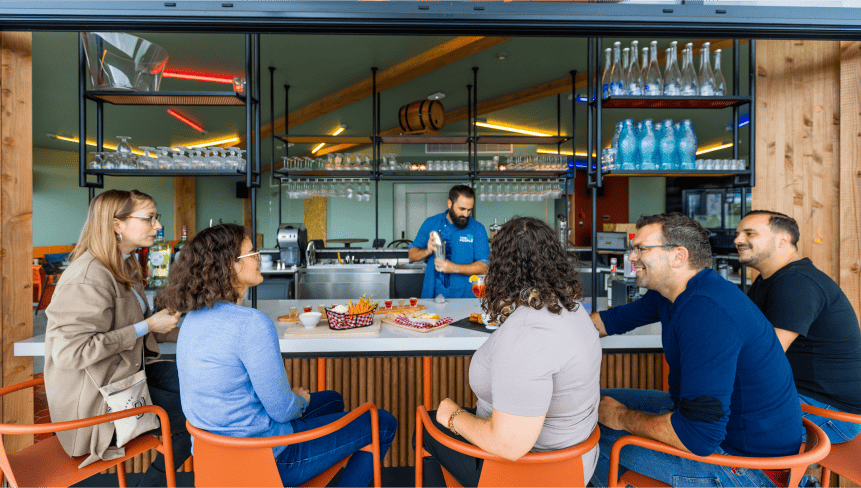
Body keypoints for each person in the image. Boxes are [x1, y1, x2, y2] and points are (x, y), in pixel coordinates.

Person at [163, 224, 397, 487]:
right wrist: (300, 400)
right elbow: (283, 410)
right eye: (252, 253)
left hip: (213, 457)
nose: (259, 257)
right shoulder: (252, 323)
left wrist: (296, 401)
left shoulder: (192, 320)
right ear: (231, 266)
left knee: (333, 401)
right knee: (382, 423)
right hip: (265, 457)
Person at [589, 212, 803, 488]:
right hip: (705, 426)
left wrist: (620, 417)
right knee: (589, 407)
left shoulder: (706, 311)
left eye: (640, 249)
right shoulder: (671, 293)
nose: (631, 257)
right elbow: (606, 323)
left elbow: (698, 436)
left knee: (586, 437)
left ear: (679, 255)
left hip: (747, 466)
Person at [416, 217, 601, 487]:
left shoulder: (526, 335)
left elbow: (510, 445)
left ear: (501, 266)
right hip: (574, 463)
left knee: (427, 426)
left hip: (529, 473)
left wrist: (452, 416)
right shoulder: (571, 309)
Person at [44, 190, 189, 487]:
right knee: (196, 414)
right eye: (149, 218)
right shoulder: (88, 276)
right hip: (98, 406)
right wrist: (146, 326)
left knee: (204, 383)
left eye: (156, 217)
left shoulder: (124, 266)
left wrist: (198, 328)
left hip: (125, 381)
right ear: (116, 225)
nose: (158, 226)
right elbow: (71, 351)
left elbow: (145, 328)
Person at [735, 210, 861, 443]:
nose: (738, 240)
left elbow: (763, 357)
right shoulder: (768, 280)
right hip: (800, 396)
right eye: (738, 234)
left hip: (831, 412)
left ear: (783, 239)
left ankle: (789, 481)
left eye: (749, 233)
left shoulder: (796, 282)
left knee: (708, 422)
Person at [409, 185, 489, 299]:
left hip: (466, 298)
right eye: (461, 209)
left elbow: (484, 267)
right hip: (432, 296)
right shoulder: (431, 223)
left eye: (469, 210)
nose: (466, 214)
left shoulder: (478, 229)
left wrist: (453, 268)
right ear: (449, 204)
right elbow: (412, 256)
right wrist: (428, 250)